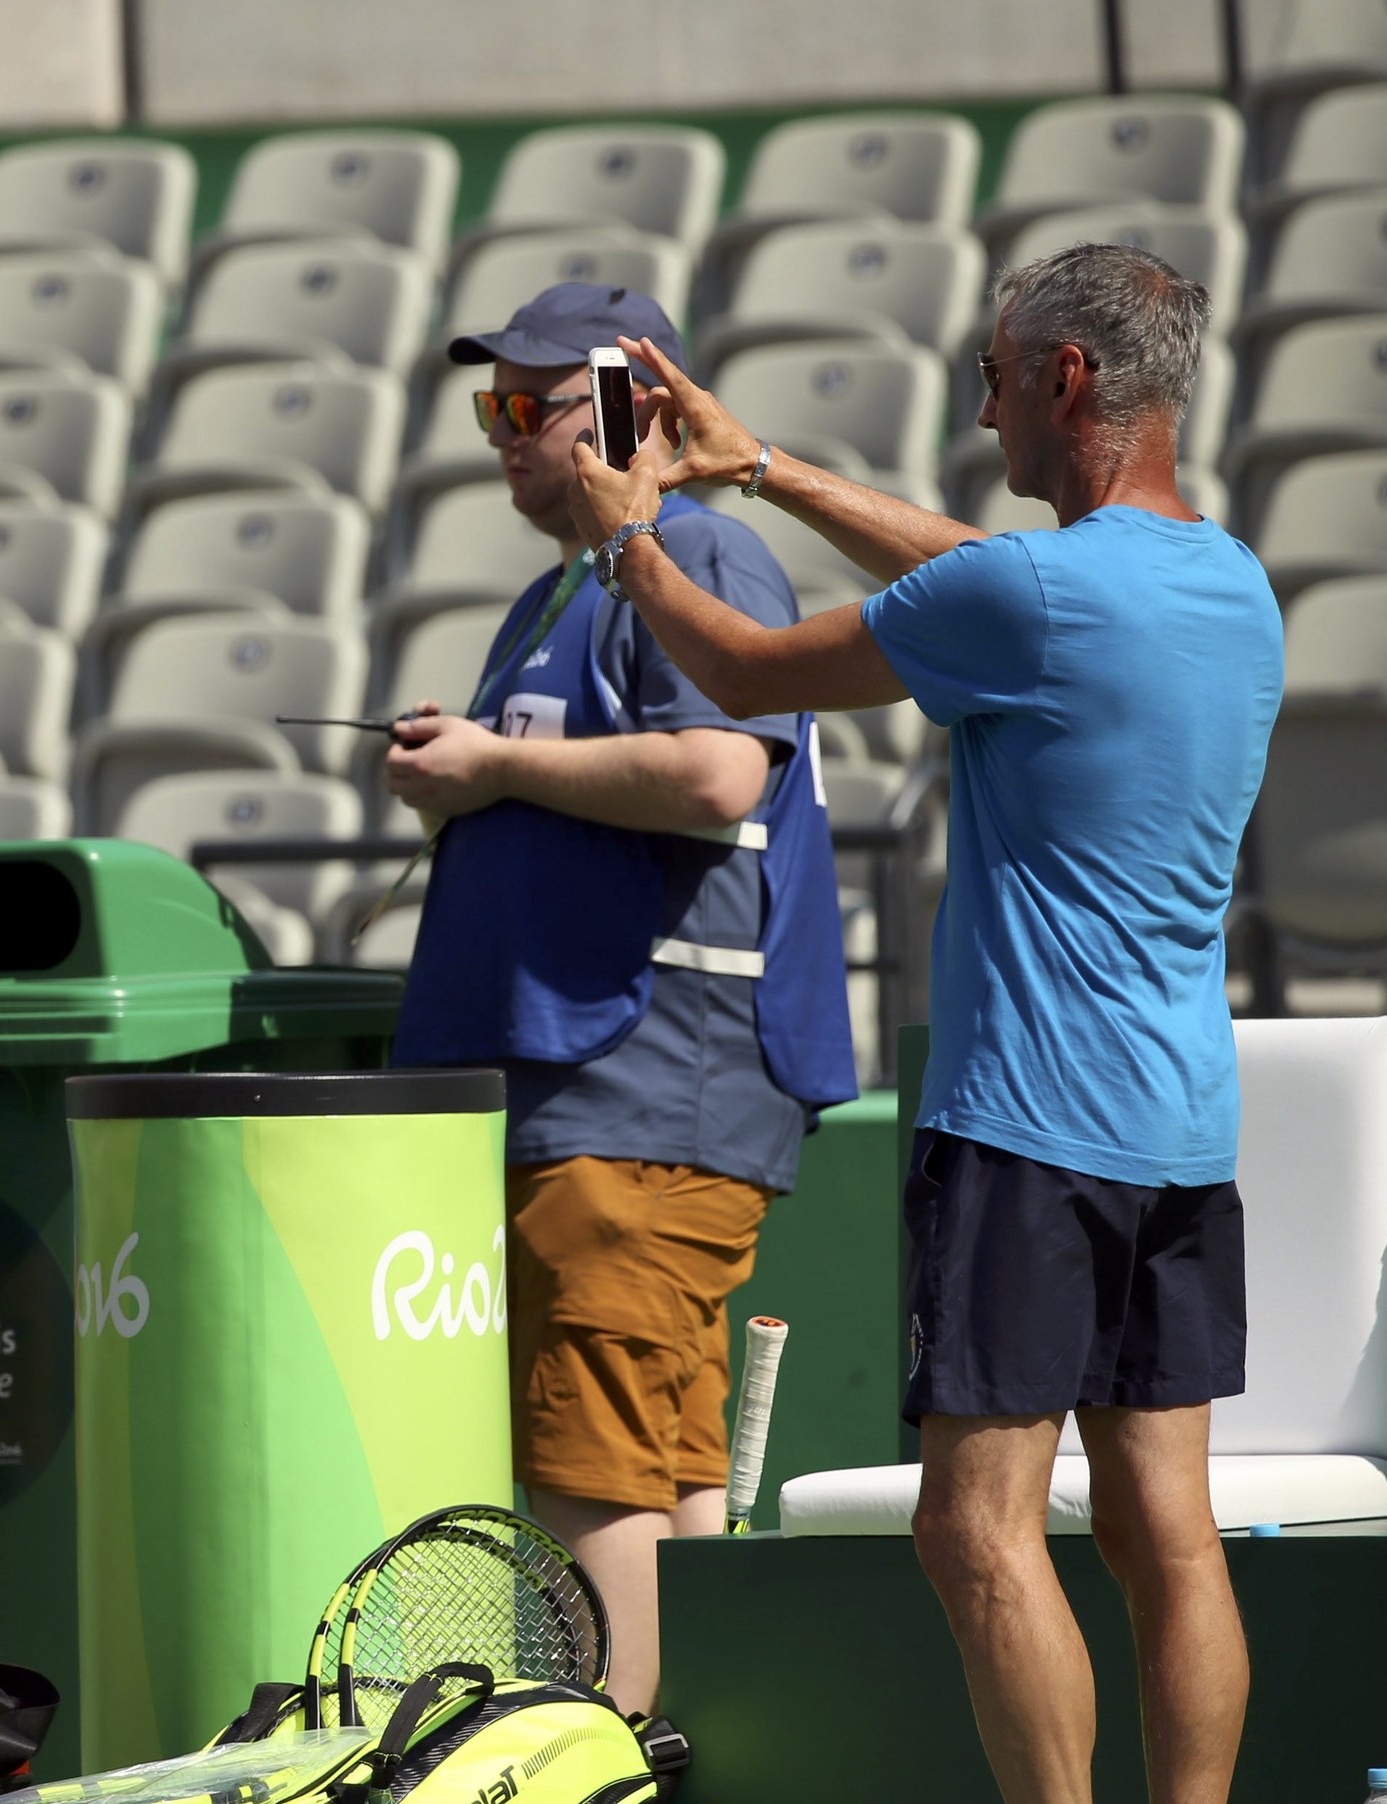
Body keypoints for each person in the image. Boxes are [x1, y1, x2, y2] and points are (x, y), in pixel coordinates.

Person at [569, 242, 1276, 1804]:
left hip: (1028, 1129)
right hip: (1182, 1127)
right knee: (1170, 1523)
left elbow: (749, 670)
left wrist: (636, 542)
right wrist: (762, 468)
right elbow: (978, 571)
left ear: (1066, 380)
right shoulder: (1224, 579)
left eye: (994, 373)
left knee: (973, 1530)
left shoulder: (1028, 596)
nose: (982, 407)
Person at [382, 284, 853, 1744]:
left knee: (594, 1460)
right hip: (593, 1096)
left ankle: (604, 1746)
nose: (506, 441)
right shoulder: (561, 591)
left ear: (637, 409)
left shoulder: (698, 548)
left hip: (646, 1092)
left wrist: (493, 774)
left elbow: (721, 776)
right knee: (660, 1463)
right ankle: (659, 1739)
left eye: (535, 411)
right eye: (492, 412)